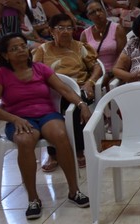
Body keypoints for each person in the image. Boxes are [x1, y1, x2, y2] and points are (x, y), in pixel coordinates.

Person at [0, 33, 90, 219]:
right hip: (19, 119)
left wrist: (82, 105)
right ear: (5, 55)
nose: (20, 51)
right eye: (14, 48)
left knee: (60, 135)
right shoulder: (0, 74)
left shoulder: (40, 69)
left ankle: (74, 191)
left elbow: (65, 90)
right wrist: (14, 119)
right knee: (25, 141)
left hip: (46, 115)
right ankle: (33, 199)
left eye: (22, 46)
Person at [33, 13, 103, 169]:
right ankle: (53, 154)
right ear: (51, 31)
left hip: (79, 88)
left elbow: (97, 67)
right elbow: (34, 72)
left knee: (74, 106)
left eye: (69, 28)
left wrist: (90, 82)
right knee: (47, 109)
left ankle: (79, 151)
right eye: (60, 28)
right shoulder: (43, 50)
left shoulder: (80, 47)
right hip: (51, 92)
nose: (65, 31)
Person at [80, 0, 126, 78]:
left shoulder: (117, 29)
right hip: (94, 74)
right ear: (88, 17)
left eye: (99, 10)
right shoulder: (85, 34)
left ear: (104, 10)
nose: (97, 14)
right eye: (93, 12)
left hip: (114, 72)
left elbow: (122, 56)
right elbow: (84, 59)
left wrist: (111, 73)